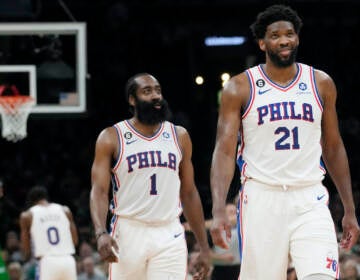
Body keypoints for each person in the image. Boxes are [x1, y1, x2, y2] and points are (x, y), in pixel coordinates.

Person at [209, 4, 360, 280]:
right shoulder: (240, 87)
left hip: (310, 197)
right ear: (262, 43)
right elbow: (224, 151)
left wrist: (349, 209)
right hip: (261, 198)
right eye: (275, 35)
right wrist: (219, 209)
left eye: (289, 34)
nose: (284, 40)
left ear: (298, 38)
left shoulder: (320, 82)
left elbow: (334, 147)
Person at [90, 73, 210, 280]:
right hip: (128, 230)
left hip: (169, 231)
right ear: (132, 99)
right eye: (147, 91)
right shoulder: (112, 137)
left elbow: (189, 193)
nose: (155, 96)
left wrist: (204, 247)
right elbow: (99, 191)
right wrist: (100, 232)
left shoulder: (179, 136)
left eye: (158, 90)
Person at [19, 186, 78, 280]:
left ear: (31, 202)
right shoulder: (65, 210)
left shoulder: (27, 215)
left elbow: (26, 250)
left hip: (46, 262)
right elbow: (75, 241)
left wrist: (27, 258)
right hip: (68, 260)